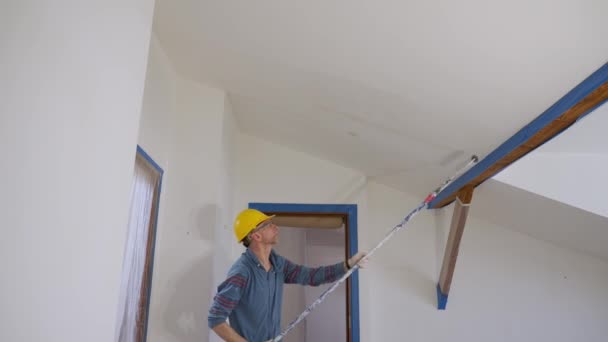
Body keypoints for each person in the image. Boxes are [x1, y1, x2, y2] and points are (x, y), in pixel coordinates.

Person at [208, 208, 367, 342]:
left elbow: (311, 276)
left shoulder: (278, 265)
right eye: (268, 225)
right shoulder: (242, 272)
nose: (275, 227)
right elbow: (215, 318)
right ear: (256, 235)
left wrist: (348, 264)